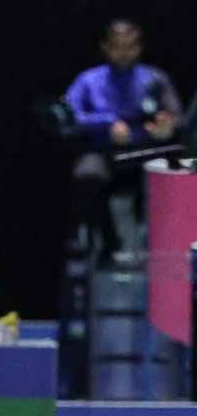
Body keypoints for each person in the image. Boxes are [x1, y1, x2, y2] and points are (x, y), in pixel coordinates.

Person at [64, 19, 182, 259]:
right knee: (87, 175)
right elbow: (67, 115)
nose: (124, 53)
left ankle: (158, 245)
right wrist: (106, 123)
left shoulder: (155, 78)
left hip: (144, 152)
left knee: (173, 171)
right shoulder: (89, 80)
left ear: (139, 48)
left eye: (130, 46)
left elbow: (177, 117)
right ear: (105, 47)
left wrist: (167, 127)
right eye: (117, 46)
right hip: (104, 151)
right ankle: (108, 243)